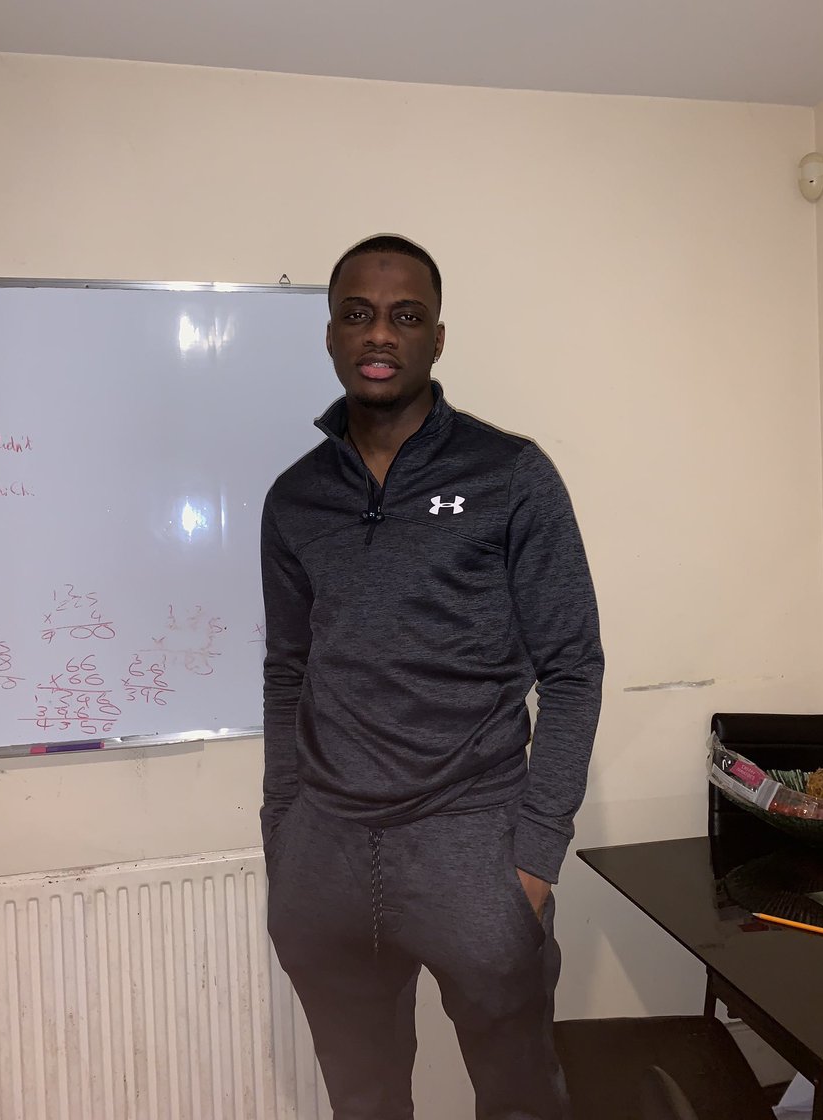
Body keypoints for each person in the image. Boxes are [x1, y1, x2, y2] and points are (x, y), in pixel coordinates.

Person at [260, 234, 604, 1120]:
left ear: (437, 338)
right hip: (326, 854)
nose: (381, 333)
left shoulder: (511, 476)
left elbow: (572, 670)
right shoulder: (295, 498)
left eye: (406, 316)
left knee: (520, 1099)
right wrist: (282, 833)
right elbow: (287, 671)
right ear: (331, 334)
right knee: (363, 1101)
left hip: (472, 845)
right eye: (358, 314)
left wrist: (532, 859)